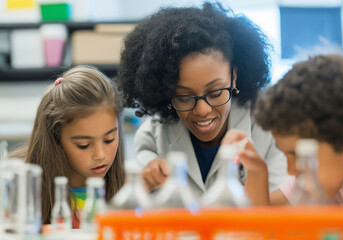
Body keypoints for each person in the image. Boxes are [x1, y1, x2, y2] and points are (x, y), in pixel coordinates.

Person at [115, 2, 289, 201]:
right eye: (184, 97)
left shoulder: (270, 128)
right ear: (166, 91)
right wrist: (145, 183)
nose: (202, 110)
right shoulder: (152, 137)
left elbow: (278, 209)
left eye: (215, 93)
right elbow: (145, 211)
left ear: (233, 76)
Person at [229, 54, 343, 208]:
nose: (291, 170)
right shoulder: (321, 176)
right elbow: (262, 217)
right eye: (287, 155)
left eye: (300, 155)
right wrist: (256, 171)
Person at [13, 66, 125, 227]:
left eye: (109, 140)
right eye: (84, 145)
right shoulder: (23, 193)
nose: (100, 155)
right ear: (56, 138)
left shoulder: (127, 194)